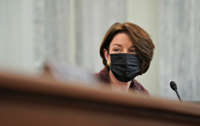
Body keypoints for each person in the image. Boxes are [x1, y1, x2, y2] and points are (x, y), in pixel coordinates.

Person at [96, 22, 155, 95]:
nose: (125, 57)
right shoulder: (89, 86)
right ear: (107, 55)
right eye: (117, 50)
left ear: (142, 58)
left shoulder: (143, 96)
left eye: (132, 51)